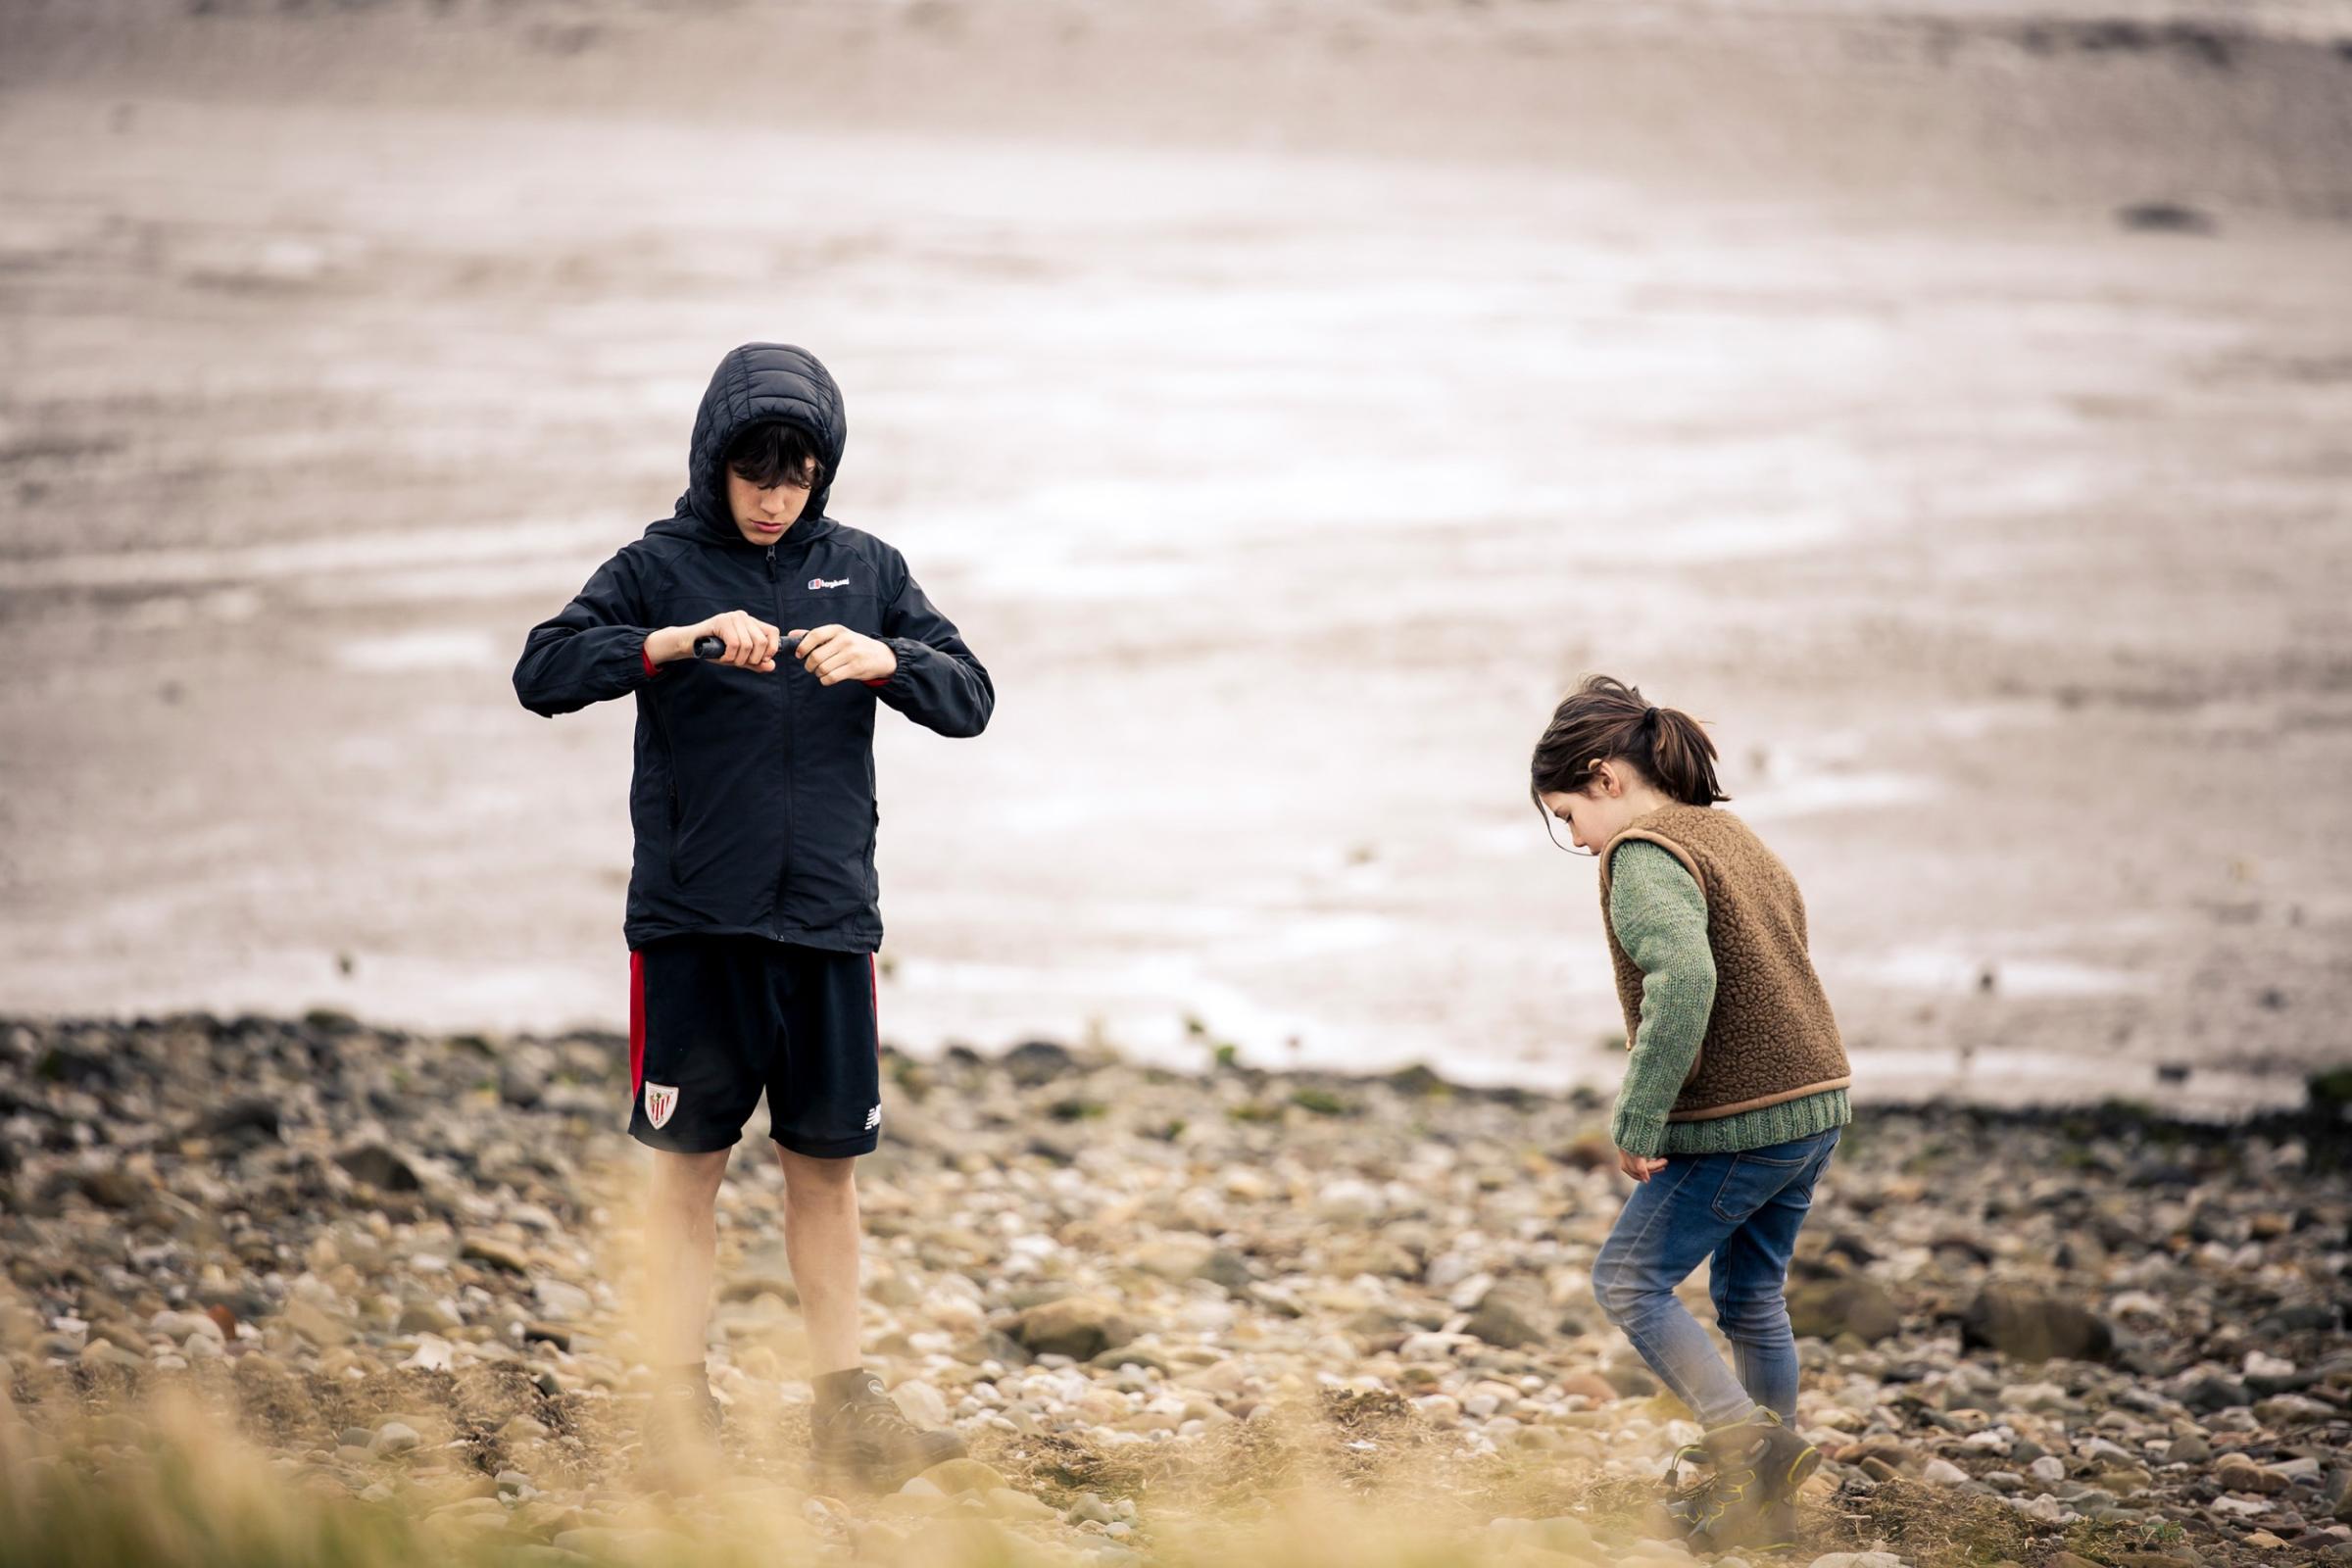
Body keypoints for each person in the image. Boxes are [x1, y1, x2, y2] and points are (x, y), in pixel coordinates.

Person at [513, 342, 991, 1490]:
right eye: (754, 474)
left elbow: (970, 697)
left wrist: (889, 660)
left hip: (828, 924)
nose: (774, 498)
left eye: (796, 475)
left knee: (825, 1170)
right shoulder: (657, 565)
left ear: (822, 472)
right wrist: (668, 645)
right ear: (713, 463)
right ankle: (680, 1411)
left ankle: (845, 1414)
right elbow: (541, 669)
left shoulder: (867, 567)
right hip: (694, 927)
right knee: (687, 1171)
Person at [1530, 675, 1852, 1550]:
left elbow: (1686, 984)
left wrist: (1640, 1118)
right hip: (1816, 1099)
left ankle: (1749, 1448)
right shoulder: (1728, 833)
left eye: (1567, 817)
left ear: (1604, 778)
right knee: (1752, 1295)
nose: (1577, 839)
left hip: (1744, 1118)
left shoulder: (1642, 853)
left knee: (1627, 1279)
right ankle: (1765, 1508)